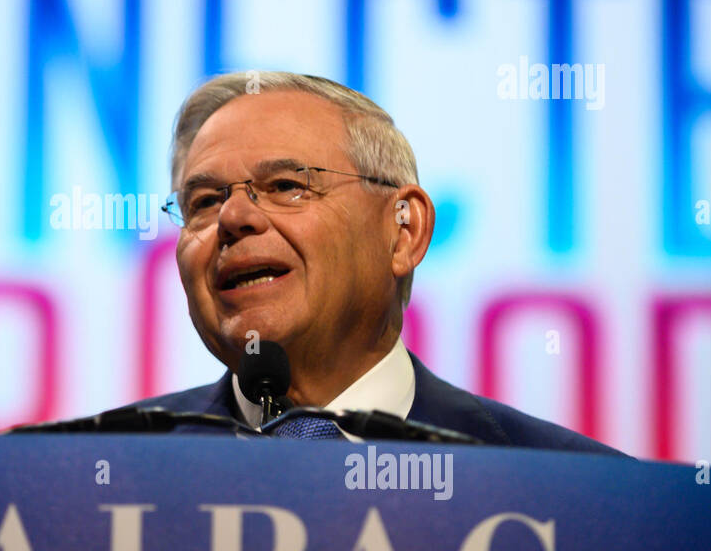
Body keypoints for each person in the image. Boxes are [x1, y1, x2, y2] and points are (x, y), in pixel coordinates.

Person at [123, 71, 626, 454]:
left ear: (403, 231)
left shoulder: (569, 489)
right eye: (205, 201)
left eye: (285, 187)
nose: (233, 217)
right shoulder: (104, 474)